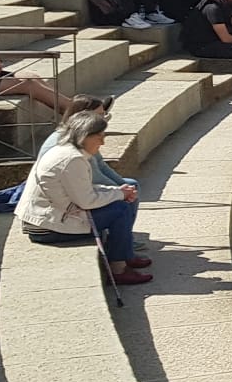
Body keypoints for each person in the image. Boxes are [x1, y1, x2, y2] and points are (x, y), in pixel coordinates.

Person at [18, 111, 149, 284]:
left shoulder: (66, 151)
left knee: (121, 199)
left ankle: (125, 255)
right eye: (99, 137)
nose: (102, 142)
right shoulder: (72, 160)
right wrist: (119, 193)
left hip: (50, 218)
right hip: (47, 228)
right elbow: (86, 200)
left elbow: (82, 189)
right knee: (120, 209)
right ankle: (118, 269)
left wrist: (116, 190)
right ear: (84, 136)